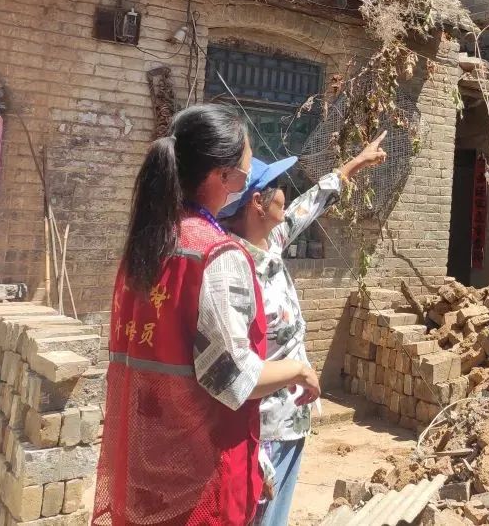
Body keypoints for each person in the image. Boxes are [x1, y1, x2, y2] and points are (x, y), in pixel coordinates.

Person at [92, 105, 321, 526]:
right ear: (223, 177)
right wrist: (299, 371)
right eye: (245, 171)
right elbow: (233, 379)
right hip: (198, 480)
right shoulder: (216, 255)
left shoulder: (146, 246)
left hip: (146, 459)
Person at [219, 132, 388, 526]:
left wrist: (356, 163)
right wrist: (253, 449)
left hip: (290, 419)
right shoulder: (233, 269)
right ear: (257, 202)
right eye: (278, 187)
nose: (286, 193)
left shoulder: (271, 241)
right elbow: (231, 370)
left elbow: (310, 203)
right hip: (261, 432)